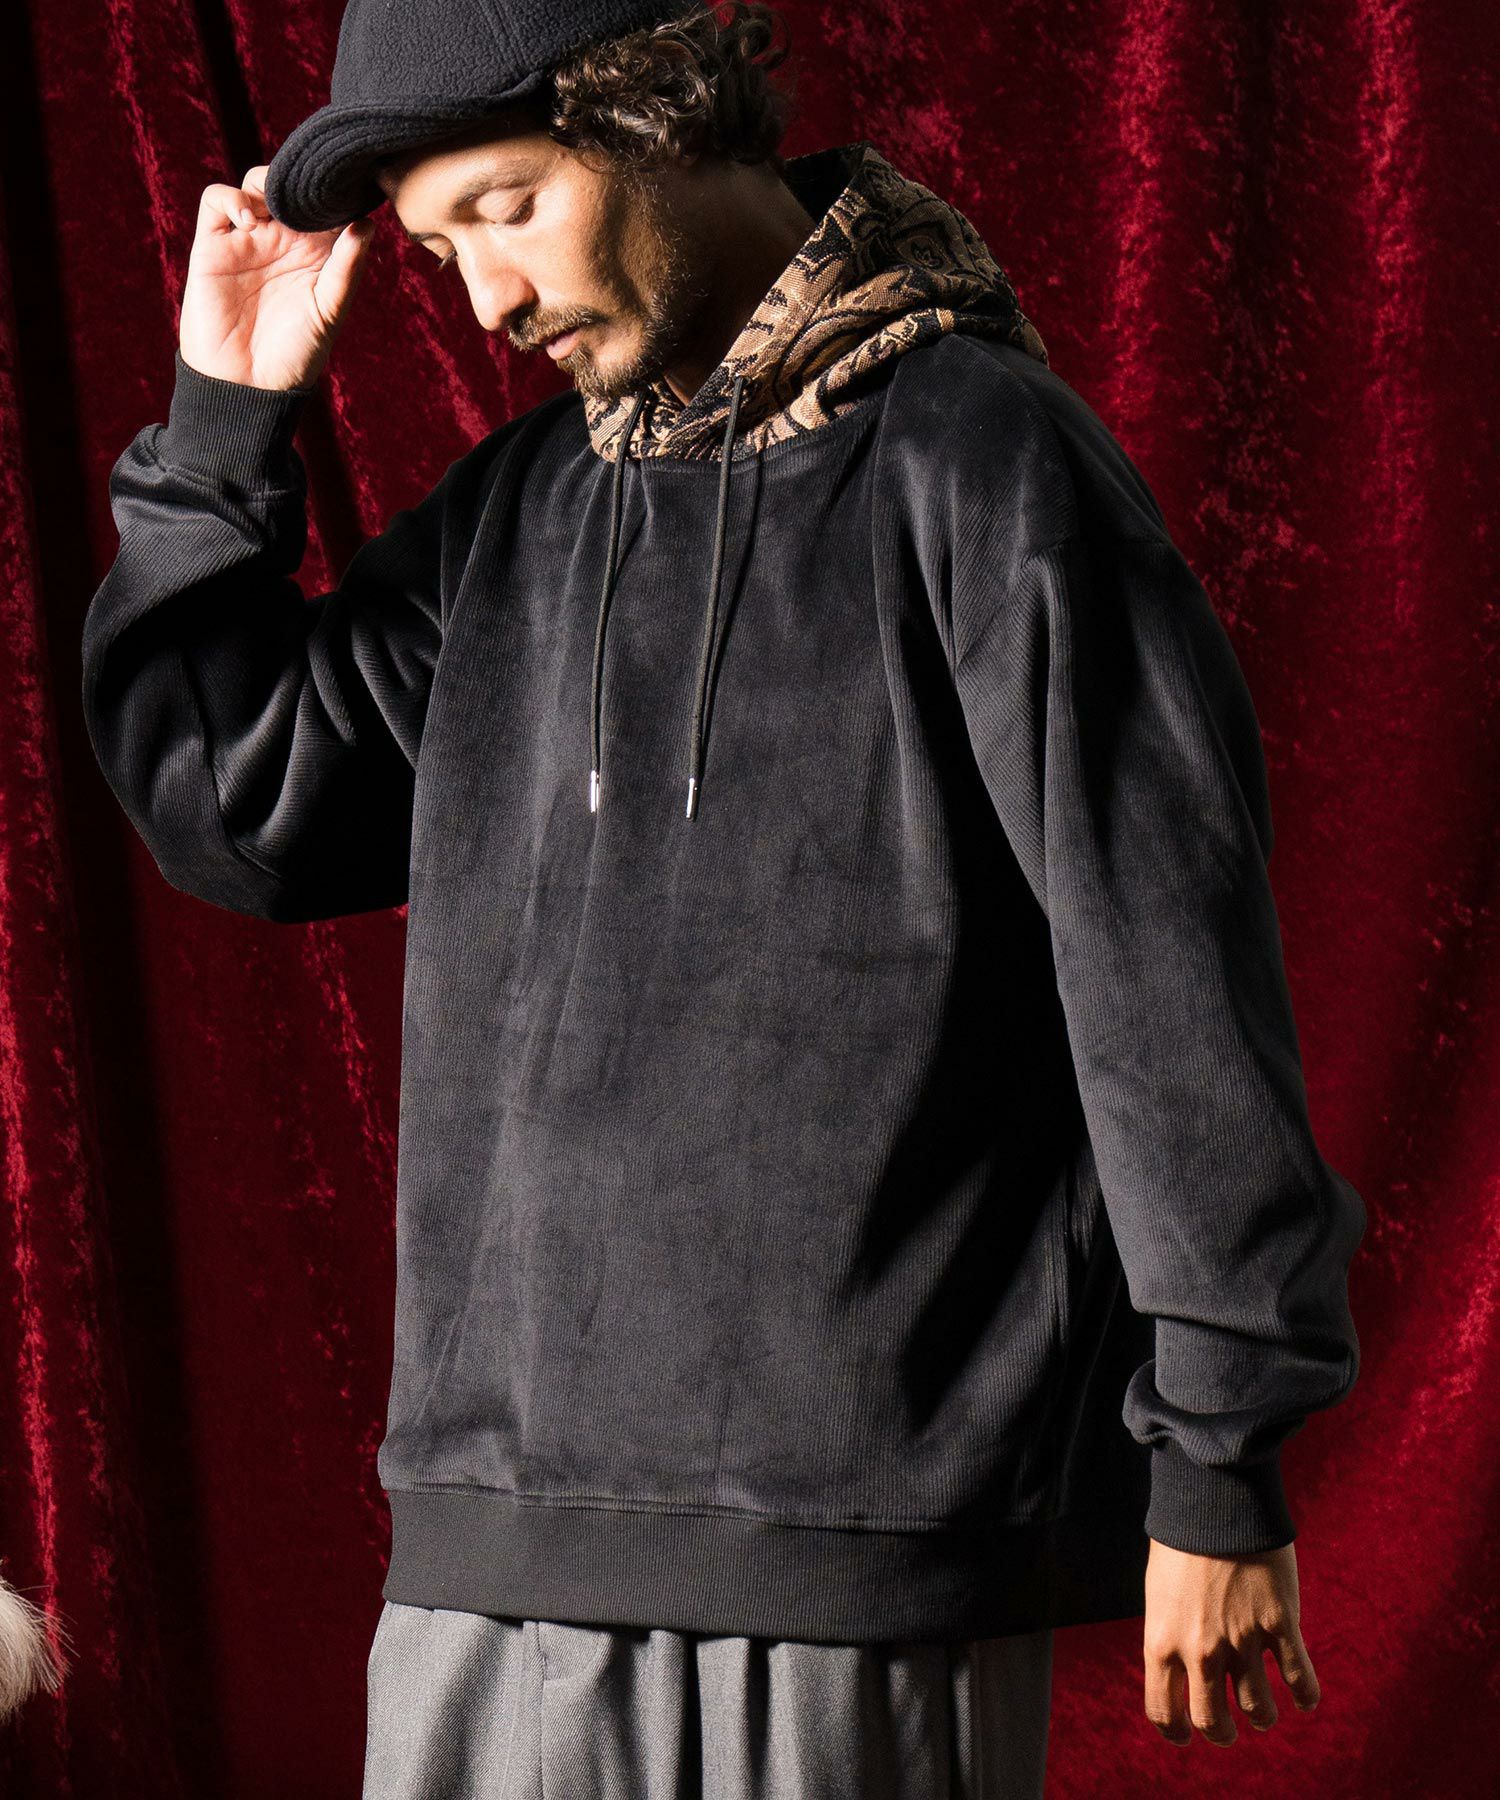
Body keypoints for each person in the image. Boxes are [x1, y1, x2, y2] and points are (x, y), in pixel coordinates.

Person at [79, 1, 1367, 1793]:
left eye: (506, 209)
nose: (486, 302)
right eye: (441, 251)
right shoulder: (517, 514)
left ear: (655, 113)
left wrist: (1217, 1457)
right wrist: (222, 429)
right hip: (488, 1555)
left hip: (853, 1554)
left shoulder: (983, 463)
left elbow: (1168, 982)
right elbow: (237, 805)